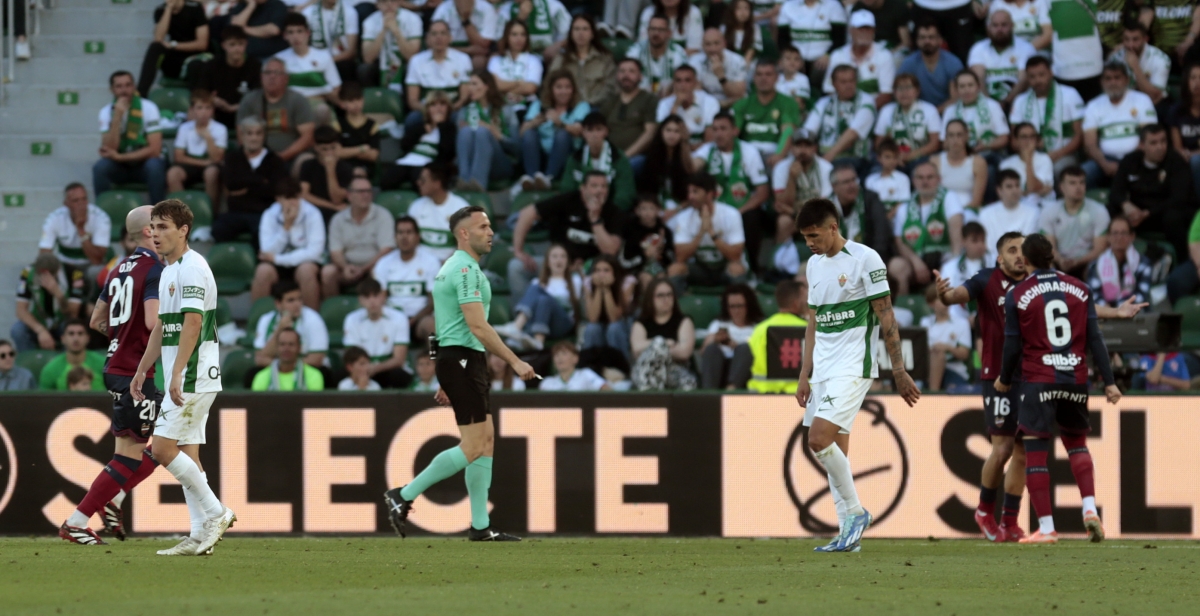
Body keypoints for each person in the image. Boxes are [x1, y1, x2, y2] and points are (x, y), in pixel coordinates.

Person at [382, 205, 535, 542]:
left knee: (486, 441)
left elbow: (441, 326)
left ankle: (480, 526)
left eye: (490, 225)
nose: (490, 232)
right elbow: (477, 326)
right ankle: (403, 495)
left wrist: (443, 371)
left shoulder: (450, 267)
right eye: (482, 226)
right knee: (474, 445)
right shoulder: (465, 271)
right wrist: (515, 361)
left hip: (461, 360)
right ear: (463, 233)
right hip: (464, 359)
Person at [794, 197, 920, 552]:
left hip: (853, 367)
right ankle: (847, 535)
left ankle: (855, 512)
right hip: (823, 371)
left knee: (818, 440)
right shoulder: (814, 265)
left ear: (834, 227)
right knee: (836, 456)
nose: (810, 243)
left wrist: (898, 369)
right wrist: (805, 373)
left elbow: (886, 316)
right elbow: (813, 321)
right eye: (805, 237)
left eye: (815, 235)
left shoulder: (866, 259)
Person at [995, 233, 1120, 544]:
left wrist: (1005, 378)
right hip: (1075, 379)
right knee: (1077, 444)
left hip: (1039, 380)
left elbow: (1012, 345)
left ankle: (1048, 528)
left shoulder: (1018, 293)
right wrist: (1111, 382)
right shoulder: (1080, 288)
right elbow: (1095, 340)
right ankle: (1090, 508)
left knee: (1036, 453)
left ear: (1025, 259)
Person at [130, 199, 235, 556]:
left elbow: (192, 323)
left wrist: (176, 372)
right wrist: (144, 368)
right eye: (153, 227)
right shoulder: (170, 269)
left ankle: (217, 513)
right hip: (182, 375)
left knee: (161, 449)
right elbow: (163, 324)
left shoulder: (193, 267)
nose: (155, 234)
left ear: (183, 230)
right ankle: (198, 533)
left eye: (163, 227)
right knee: (187, 453)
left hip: (193, 377)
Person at [59, 206, 165, 546]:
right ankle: (78, 520)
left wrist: (121, 335)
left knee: (166, 441)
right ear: (149, 231)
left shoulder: (118, 270)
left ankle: (113, 501)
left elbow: (95, 322)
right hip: (136, 371)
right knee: (132, 454)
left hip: (116, 366)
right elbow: (153, 323)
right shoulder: (154, 270)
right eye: (159, 223)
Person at [934, 230, 1029, 542]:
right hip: (998, 376)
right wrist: (943, 294)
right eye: (1012, 250)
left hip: (1031, 375)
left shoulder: (1037, 283)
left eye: (1023, 250)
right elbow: (956, 296)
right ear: (1000, 258)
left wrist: (1116, 313)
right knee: (1002, 447)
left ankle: (1010, 521)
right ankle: (985, 510)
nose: (1019, 255)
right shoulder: (987, 279)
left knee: (1023, 450)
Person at [509, 172, 623, 301]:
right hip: (557, 263)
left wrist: (595, 220)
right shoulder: (567, 201)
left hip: (590, 270)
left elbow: (611, 251)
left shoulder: (613, 212)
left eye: (603, 186)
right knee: (516, 267)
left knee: (604, 273)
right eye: (594, 186)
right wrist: (518, 251)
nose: (599, 190)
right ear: (583, 188)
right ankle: (522, 315)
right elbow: (527, 214)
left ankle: (583, 318)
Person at [691, 113, 770, 269]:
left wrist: (738, 212)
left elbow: (763, 192)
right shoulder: (707, 150)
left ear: (734, 131)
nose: (718, 133)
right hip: (713, 208)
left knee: (752, 218)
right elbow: (691, 169)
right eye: (715, 129)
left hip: (741, 208)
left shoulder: (749, 151)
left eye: (723, 129)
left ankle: (752, 268)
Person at [1108, 124, 1196, 260]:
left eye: (1163, 141)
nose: (1160, 147)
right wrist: (1126, 205)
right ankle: (1112, 258)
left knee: (1173, 217)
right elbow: (1115, 191)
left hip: (1164, 212)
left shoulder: (1176, 161)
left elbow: (1179, 198)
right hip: (1138, 215)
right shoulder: (1130, 161)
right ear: (1142, 145)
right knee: (1111, 209)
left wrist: (1148, 213)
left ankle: (1183, 259)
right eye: (1154, 143)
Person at [889, 160, 965, 294]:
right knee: (896, 266)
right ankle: (905, 308)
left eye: (930, 177)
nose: (925, 182)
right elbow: (899, 241)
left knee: (950, 268)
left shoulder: (949, 197)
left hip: (944, 257)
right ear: (914, 181)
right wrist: (915, 261)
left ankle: (945, 305)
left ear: (939, 179)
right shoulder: (905, 207)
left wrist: (953, 261)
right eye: (920, 177)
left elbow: (956, 228)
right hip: (917, 261)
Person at [666, 172, 749, 293]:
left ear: (709, 194)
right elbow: (680, 257)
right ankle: (677, 308)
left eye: (695, 192)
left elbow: (736, 255)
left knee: (736, 268)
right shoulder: (683, 218)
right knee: (675, 269)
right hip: (700, 269)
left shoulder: (731, 215)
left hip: (724, 268)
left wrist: (711, 232)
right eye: (689, 192)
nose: (690, 197)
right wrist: (701, 232)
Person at [95, 71, 167, 205]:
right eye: (119, 86)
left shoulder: (149, 108)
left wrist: (120, 157)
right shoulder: (106, 112)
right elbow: (109, 149)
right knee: (100, 168)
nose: (124, 90)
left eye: (128, 85)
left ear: (134, 87)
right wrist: (117, 117)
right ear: (112, 90)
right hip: (120, 166)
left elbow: (155, 150)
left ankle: (159, 214)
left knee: (155, 166)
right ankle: (104, 212)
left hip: (143, 163)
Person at [253, 177, 326, 309]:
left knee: (306, 271)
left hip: (303, 262)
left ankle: (311, 319)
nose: (293, 203)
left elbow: (315, 252)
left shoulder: (313, 214)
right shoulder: (269, 215)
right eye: (288, 198)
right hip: (277, 264)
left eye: (296, 198)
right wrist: (286, 227)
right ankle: (258, 321)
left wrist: (278, 259)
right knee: (262, 271)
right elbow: (267, 250)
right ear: (278, 199)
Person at [214, 117, 288, 247]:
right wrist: (260, 180)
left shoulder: (275, 161)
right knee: (218, 230)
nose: (254, 138)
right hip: (235, 212)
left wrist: (244, 187)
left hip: (263, 213)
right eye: (249, 133)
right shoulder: (232, 158)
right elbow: (230, 184)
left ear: (264, 136)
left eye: (258, 133)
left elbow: (274, 190)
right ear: (242, 136)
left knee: (262, 235)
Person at [1081, 63, 1158, 188]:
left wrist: (1126, 164)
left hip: (1138, 158)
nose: (1113, 82)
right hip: (1105, 160)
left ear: (1126, 80)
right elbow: (1090, 144)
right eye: (1108, 78)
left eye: (1117, 78)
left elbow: (1148, 137)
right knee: (1084, 173)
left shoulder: (1142, 100)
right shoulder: (1093, 106)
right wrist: (1104, 164)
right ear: (1102, 82)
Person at [236, 57, 317, 174]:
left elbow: (307, 137)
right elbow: (241, 134)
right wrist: (257, 157)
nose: (272, 77)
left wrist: (281, 157)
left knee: (306, 160)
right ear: (261, 77)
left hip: (292, 158)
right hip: (257, 157)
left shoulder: (298, 100)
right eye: (267, 73)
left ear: (286, 78)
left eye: (277, 73)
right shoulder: (249, 100)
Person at [493, 243, 581, 351]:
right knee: (538, 291)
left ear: (568, 261)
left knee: (541, 294)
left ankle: (517, 326)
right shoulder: (537, 282)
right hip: (539, 324)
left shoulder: (575, 280)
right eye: (554, 256)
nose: (559, 260)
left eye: (563, 256)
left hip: (562, 325)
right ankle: (538, 341)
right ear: (548, 262)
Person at [1009, 56, 1085, 177]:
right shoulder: (1020, 101)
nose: (1037, 80)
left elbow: (1079, 136)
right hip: (1029, 156)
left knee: (1056, 170)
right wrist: (1031, 154)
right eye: (1032, 77)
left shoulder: (1070, 95)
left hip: (1063, 155)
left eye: (1041, 75)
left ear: (1051, 73)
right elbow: (1014, 140)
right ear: (1027, 78)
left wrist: (1057, 154)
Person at [322, 177, 396, 299]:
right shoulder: (338, 219)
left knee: (379, 271)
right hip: (347, 268)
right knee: (328, 272)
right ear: (349, 195)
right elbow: (335, 252)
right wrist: (345, 267)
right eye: (361, 191)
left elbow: (386, 250)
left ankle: (377, 312)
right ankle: (334, 310)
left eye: (368, 191)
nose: (365, 195)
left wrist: (364, 268)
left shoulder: (383, 215)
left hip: (373, 266)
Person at [517, 70, 591, 190]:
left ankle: (548, 178)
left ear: (573, 89)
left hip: (566, 156)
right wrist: (534, 123)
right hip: (541, 156)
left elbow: (580, 131)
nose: (563, 91)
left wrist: (560, 123)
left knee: (562, 134)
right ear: (551, 90)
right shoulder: (538, 105)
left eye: (568, 87)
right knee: (529, 134)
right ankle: (532, 178)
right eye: (559, 87)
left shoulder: (581, 106)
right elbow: (522, 133)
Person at [373, 215, 441, 344]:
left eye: (409, 232)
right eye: (400, 232)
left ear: (417, 236)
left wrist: (413, 320)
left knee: (431, 327)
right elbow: (380, 299)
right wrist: (397, 319)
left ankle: (435, 361)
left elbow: (433, 302)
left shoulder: (431, 262)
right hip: (391, 319)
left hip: (419, 319)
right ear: (395, 237)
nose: (404, 237)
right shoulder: (383, 263)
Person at [38, 182, 112, 300]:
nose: (81, 205)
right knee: (44, 273)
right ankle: (59, 311)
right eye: (75, 201)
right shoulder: (54, 218)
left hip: (89, 265)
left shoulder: (101, 218)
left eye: (84, 199)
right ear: (66, 204)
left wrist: (81, 229)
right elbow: (44, 253)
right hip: (64, 265)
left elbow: (97, 260)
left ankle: (92, 306)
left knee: (96, 271)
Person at [403, 21, 474, 137]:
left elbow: (464, 97)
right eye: (434, 34)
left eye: (443, 33)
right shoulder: (416, 61)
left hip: (453, 109)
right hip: (426, 109)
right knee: (412, 120)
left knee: (461, 120)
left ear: (450, 38)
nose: (439, 38)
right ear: (427, 39)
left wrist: (447, 110)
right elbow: (412, 100)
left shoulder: (463, 59)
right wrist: (431, 111)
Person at [1040, 166, 1111, 278]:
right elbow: (1049, 247)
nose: (1078, 187)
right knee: (1043, 263)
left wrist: (1077, 262)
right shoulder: (1049, 212)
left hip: (1087, 263)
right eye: (1072, 183)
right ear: (1062, 187)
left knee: (1100, 263)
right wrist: (1060, 260)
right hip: (1059, 262)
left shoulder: (1099, 211)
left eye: (1081, 183)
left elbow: (1099, 249)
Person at [803, 64, 877, 170]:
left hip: (853, 158)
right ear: (834, 84)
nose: (848, 85)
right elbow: (809, 131)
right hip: (823, 156)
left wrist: (825, 160)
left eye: (851, 81)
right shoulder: (824, 103)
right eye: (843, 82)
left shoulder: (866, 101)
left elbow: (852, 134)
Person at [342, 278, 413, 388]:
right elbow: (351, 355)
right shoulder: (351, 319)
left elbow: (399, 359)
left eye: (375, 296)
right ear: (360, 300)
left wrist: (375, 368)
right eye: (367, 297)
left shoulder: (399, 318)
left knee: (399, 376)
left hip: (388, 369)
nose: (372, 301)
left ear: (383, 296)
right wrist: (363, 369)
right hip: (361, 368)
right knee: (338, 375)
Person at [561, 112, 638, 211]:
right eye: (589, 130)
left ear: (606, 131)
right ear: (583, 133)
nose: (594, 135)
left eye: (598, 129)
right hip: (581, 209)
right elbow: (567, 188)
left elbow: (625, 193)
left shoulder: (619, 158)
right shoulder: (575, 159)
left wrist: (608, 212)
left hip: (611, 211)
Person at [630, 278, 698, 390]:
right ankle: (649, 393)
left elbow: (684, 352)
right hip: (646, 371)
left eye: (669, 295)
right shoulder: (640, 323)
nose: (665, 299)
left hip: (674, 370)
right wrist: (665, 343)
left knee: (688, 383)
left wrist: (655, 350)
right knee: (658, 343)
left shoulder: (684, 321)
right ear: (650, 298)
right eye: (660, 295)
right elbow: (636, 349)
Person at [731, 61, 802, 167]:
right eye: (759, 74)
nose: (763, 78)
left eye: (768, 74)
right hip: (748, 152)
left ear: (777, 77)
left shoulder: (788, 103)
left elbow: (787, 131)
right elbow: (733, 133)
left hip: (774, 150)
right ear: (754, 78)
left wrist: (779, 155)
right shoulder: (742, 104)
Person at [191, 25, 261, 132]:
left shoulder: (255, 66)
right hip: (217, 114)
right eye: (232, 45)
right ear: (224, 46)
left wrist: (234, 107)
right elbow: (200, 93)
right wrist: (213, 100)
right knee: (197, 112)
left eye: (240, 44)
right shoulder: (212, 65)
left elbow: (258, 96)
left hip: (245, 115)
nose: (237, 49)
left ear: (246, 44)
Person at [595, 59, 659, 175]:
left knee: (626, 167)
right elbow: (598, 129)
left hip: (637, 157)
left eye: (631, 71)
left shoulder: (649, 100)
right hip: (610, 156)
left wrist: (624, 157)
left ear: (640, 76)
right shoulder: (610, 101)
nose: (626, 75)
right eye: (622, 71)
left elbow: (649, 134)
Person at [744, 279, 808, 393]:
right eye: (805, 297)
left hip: (762, 397)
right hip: (800, 397)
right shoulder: (808, 329)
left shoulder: (760, 329)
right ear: (796, 302)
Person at [383, 92, 457, 190]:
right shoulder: (419, 125)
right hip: (406, 162)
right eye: (433, 105)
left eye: (442, 104)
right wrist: (422, 130)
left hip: (427, 166)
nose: (438, 108)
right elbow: (404, 145)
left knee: (422, 182)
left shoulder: (449, 129)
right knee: (386, 181)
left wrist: (440, 125)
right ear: (427, 109)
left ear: (448, 108)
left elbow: (447, 153)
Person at [275, 13, 342, 122]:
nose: (295, 36)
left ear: (308, 33)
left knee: (323, 111)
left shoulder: (323, 56)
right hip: (289, 105)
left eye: (299, 31)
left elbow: (336, 88)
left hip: (317, 103)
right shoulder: (278, 59)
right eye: (290, 32)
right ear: (285, 36)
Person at [822, 11, 896, 109]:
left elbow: (886, 94)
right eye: (860, 29)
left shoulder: (884, 55)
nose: (864, 32)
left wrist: (865, 113)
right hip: (842, 111)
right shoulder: (837, 55)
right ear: (851, 30)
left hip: (873, 112)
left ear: (874, 31)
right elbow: (830, 90)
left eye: (868, 29)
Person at [167, 90, 227, 209]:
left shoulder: (220, 129)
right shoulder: (184, 128)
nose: (204, 112)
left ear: (212, 110)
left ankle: (210, 213)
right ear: (193, 110)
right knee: (173, 174)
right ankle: (181, 213)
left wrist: (208, 138)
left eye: (207, 108)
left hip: (210, 166)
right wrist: (203, 163)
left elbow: (217, 158)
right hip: (192, 164)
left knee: (212, 173)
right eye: (199, 108)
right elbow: (178, 156)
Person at [454, 74, 514, 193]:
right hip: (471, 162)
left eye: (474, 84)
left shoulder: (505, 109)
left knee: (482, 132)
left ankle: (478, 184)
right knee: (465, 131)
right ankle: (464, 181)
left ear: (487, 86)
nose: (470, 88)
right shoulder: (464, 111)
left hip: (500, 163)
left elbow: (517, 148)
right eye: (469, 84)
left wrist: (498, 136)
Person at [12, 253, 82, 352]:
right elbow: (20, 311)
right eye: (41, 274)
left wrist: (57, 293)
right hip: (40, 319)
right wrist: (40, 330)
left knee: (72, 329)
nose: (44, 278)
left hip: (62, 320)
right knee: (17, 330)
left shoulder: (74, 273)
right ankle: (29, 361)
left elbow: (72, 313)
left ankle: (68, 362)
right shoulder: (27, 272)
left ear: (57, 271)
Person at [139, 0, 211, 97]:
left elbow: (202, 44)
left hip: (194, 56)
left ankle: (196, 104)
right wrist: (168, 9)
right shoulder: (160, 10)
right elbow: (158, 39)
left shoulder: (195, 8)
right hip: (174, 59)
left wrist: (174, 45)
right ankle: (141, 95)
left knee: (196, 65)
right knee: (155, 47)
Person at [253, 279, 329, 369]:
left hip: (309, 370)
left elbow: (316, 359)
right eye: (291, 300)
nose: (297, 304)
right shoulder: (265, 320)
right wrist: (279, 330)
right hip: (277, 369)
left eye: (299, 299)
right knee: (253, 373)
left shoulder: (313, 319)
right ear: (278, 304)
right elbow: (260, 359)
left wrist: (287, 367)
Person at [698, 283, 761, 390]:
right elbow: (703, 352)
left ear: (748, 305)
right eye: (732, 306)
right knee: (712, 349)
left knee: (745, 348)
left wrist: (735, 345)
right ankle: (709, 394)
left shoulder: (757, 328)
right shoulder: (718, 324)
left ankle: (731, 391)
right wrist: (714, 338)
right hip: (719, 366)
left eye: (740, 306)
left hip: (745, 370)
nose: (736, 310)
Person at [968, 9, 1035, 108]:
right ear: (988, 28)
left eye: (1004, 25)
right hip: (986, 104)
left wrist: (1007, 102)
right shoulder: (978, 49)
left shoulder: (1026, 48)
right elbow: (978, 79)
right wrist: (991, 105)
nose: (999, 29)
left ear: (1012, 26)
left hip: (1018, 103)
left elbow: (1023, 80)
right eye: (995, 25)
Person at [489, 20, 545, 137]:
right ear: (506, 37)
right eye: (514, 34)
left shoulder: (534, 60)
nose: (519, 38)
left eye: (522, 34)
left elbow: (530, 88)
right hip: (500, 107)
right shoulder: (495, 61)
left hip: (525, 108)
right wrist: (519, 83)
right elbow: (493, 86)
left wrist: (504, 87)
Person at [874, 73, 942, 168]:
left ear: (917, 91)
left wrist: (909, 156)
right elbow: (878, 144)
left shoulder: (930, 110)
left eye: (908, 88)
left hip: (921, 159)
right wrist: (893, 158)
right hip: (892, 160)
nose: (904, 92)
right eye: (900, 88)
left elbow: (935, 144)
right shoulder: (886, 111)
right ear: (894, 92)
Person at [407, 163, 472, 262]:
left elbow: (467, 246)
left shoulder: (461, 208)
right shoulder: (416, 206)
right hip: (419, 266)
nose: (418, 182)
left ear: (437, 183)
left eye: (423, 180)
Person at [546, 15, 616, 106]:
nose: (581, 33)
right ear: (571, 33)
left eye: (585, 29)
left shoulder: (605, 59)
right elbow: (549, 84)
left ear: (592, 34)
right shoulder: (561, 58)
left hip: (597, 108)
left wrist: (589, 104)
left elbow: (611, 87)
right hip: (567, 109)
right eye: (576, 29)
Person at [830, 163, 894, 260]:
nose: (852, 185)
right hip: (836, 262)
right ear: (834, 187)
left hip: (870, 258)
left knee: (899, 267)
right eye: (846, 182)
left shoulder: (870, 199)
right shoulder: (825, 208)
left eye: (854, 180)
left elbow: (881, 234)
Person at [1086, 217, 1152, 308]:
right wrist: (1109, 310)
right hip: (1105, 316)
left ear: (1132, 236)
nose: (1119, 237)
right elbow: (1093, 294)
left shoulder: (1143, 264)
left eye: (1124, 233)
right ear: (1108, 237)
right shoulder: (1095, 265)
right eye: (1115, 233)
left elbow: (1142, 294)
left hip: (1134, 314)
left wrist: (1118, 309)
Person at [942, 71, 1009, 161]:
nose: (967, 90)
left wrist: (985, 146)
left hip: (989, 154)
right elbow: (944, 142)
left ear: (978, 87)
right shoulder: (950, 111)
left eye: (970, 85)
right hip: (959, 156)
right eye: (962, 86)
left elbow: (1004, 138)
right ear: (957, 90)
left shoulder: (992, 105)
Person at [581, 254, 636, 362]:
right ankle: (592, 368)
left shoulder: (627, 281)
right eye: (597, 270)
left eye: (606, 270)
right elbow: (592, 318)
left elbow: (614, 318)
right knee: (592, 329)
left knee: (614, 328)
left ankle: (621, 368)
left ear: (615, 271)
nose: (601, 274)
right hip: (600, 323)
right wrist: (598, 288)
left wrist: (606, 289)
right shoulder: (588, 282)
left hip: (623, 324)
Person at [897, 21, 964, 110]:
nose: (927, 41)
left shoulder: (952, 63)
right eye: (922, 37)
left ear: (940, 40)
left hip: (947, 113)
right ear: (917, 41)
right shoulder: (909, 64)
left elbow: (956, 98)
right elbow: (900, 92)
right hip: (916, 112)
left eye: (931, 37)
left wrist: (933, 114)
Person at [777, 0, 848, 81]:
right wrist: (793, 58)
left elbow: (840, 39)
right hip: (796, 57)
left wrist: (828, 55)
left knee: (820, 71)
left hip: (823, 58)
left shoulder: (833, 5)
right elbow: (782, 39)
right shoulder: (788, 6)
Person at [979, 169, 1041, 262]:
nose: (1015, 190)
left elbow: (1028, 246)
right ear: (999, 190)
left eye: (1017, 185)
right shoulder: (986, 214)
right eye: (1009, 186)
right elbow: (988, 247)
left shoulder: (1033, 212)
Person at [361, 0, 423, 92]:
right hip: (380, 62)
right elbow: (368, 58)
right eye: (384, 1)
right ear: (378, 5)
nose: (389, 5)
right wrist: (383, 30)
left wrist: (396, 31)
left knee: (413, 68)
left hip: (403, 61)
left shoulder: (413, 19)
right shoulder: (369, 22)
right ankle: (374, 100)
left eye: (393, 1)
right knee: (364, 70)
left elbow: (411, 57)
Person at [920, 283, 973, 391]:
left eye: (947, 298)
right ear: (931, 304)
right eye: (940, 299)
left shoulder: (961, 323)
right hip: (928, 368)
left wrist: (948, 348)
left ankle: (932, 394)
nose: (945, 302)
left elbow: (964, 354)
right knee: (936, 355)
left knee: (939, 355)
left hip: (954, 369)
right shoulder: (925, 322)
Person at [299, 125, 355, 224]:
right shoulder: (307, 165)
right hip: (313, 210)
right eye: (324, 149)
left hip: (337, 214)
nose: (330, 153)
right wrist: (332, 206)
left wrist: (330, 169)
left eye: (333, 148)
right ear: (316, 147)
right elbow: (303, 194)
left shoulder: (345, 168)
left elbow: (337, 199)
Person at [655, 65, 721, 148]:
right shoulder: (664, 104)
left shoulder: (709, 102)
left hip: (700, 152)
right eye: (678, 81)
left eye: (687, 80)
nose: (683, 85)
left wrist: (687, 149)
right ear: (673, 83)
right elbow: (663, 138)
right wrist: (676, 105)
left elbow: (709, 141)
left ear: (695, 83)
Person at [638, 115, 695, 211]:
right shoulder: (651, 157)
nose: (672, 135)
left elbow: (690, 173)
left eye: (677, 131)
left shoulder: (684, 158)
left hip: (680, 208)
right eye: (668, 130)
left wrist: (685, 142)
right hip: (655, 208)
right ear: (661, 132)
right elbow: (647, 190)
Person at [619, 196, 677, 289]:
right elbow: (626, 259)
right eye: (643, 208)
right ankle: (648, 303)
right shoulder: (630, 230)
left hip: (660, 267)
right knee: (646, 278)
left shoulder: (665, 231)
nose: (647, 212)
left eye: (651, 208)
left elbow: (672, 258)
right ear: (637, 211)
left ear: (658, 211)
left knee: (662, 278)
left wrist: (662, 250)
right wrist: (644, 255)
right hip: (638, 268)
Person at [932, 119, 987, 215]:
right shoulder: (935, 162)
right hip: (941, 212)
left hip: (969, 211)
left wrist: (957, 215)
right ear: (946, 138)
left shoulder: (978, 163)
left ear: (966, 137)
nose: (955, 140)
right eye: (951, 135)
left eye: (959, 135)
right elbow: (931, 195)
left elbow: (977, 201)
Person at [1107, 22, 1170, 105]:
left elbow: (1154, 96)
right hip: (1124, 104)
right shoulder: (1115, 58)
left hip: (1154, 105)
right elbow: (1112, 93)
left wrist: (1135, 66)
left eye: (1135, 39)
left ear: (1145, 39)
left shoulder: (1161, 59)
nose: (1130, 45)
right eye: (1126, 39)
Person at [302, 0, 360, 86]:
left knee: (346, 66)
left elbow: (351, 51)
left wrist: (326, 61)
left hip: (340, 59)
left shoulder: (349, 12)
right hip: (314, 59)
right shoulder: (308, 13)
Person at [628, 15, 689, 96]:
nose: (656, 33)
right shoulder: (635, 52)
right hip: (639, 99)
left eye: (661, 30)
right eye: (653, 29)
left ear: (669, 33)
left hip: (669, 99)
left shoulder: (678, 53)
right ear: (647, 31)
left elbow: (683, 83)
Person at [38, 320, 106, 392]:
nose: (76, 339)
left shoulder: (104, 365)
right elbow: (44, 401)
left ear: (88, 338)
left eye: (80, 334)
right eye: (71, 334)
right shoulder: (50, 370)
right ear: (63, 339)